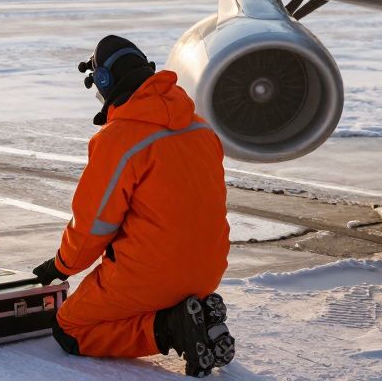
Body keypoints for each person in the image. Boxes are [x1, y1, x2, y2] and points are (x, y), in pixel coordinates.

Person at [33, 35, 234, 377]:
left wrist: (62, 266)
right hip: (208, 271)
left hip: (151, 275)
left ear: (103, 81)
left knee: (70, 328)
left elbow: (93, 225)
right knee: (148, 289)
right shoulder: (200, 128)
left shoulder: (118, 140)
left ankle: (172, 328)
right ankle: (196, 314)